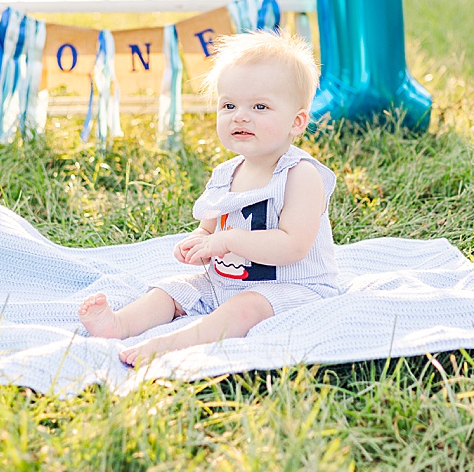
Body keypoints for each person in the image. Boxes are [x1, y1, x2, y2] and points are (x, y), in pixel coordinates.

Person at [78, 30, 341, 365]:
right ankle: (119, 324)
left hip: (293, 288)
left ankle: (176, 343)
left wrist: (227, 241)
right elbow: (210, 228)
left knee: (243, 309)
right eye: (229, 105)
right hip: (224, 282)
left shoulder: (299, 175)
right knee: (172, 289)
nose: (240, 116)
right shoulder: (226, 174)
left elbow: (293, 246)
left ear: (297, 121)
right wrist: (198, 243)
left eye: (260, 106)